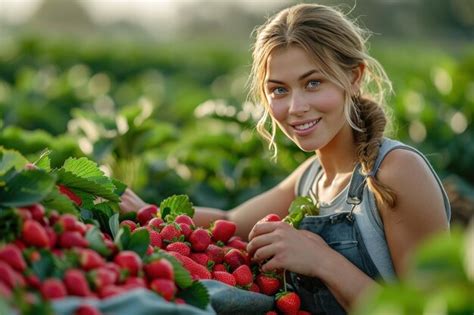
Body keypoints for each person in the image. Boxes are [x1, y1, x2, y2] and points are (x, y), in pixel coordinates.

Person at [120, 3, 450, 314]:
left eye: (313, 83)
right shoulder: (311, 178)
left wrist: (322, 260)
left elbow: (431, 310)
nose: (295, 107)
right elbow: (227, 218)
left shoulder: (395, 171)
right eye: (279, 90)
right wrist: (146, 212)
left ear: (354, 77)